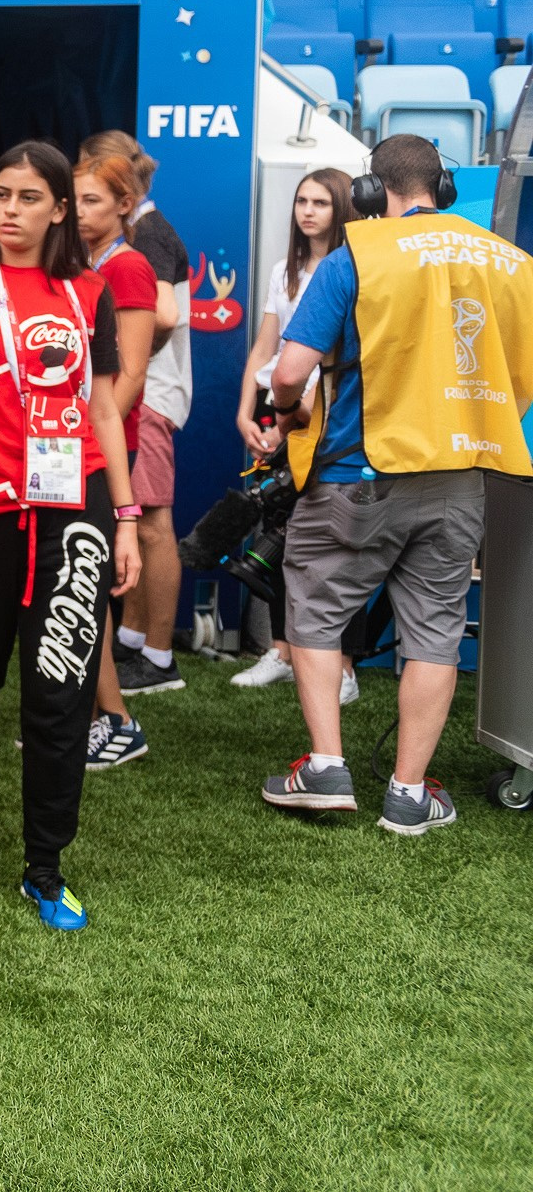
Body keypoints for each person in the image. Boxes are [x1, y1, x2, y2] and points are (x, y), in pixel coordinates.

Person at [261, 134, 533, 835]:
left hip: (360, 474)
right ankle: (409, 795)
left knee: (315, 613)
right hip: (463, 475)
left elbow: (289, 372)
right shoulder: (511, 261)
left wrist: (289, 413)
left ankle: (326, 766)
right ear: (442, 188)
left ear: (370, 193)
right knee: (436, 631)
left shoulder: (359, 255)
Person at [0, 141, 141, 933]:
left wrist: (124, 519)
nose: (10, 211)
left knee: (60, 695)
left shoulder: (89, 290)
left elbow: (105, 410)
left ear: (60, 209)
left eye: (28, 198)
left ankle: (46, 866)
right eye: (0, 195)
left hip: (68, 513)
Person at [80, 131, 193, 703]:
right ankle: (132, 638)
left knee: (149, 525)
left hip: (144, 399)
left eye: (91, 194)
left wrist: (133, 362)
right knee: (142, 525)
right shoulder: (145, 230)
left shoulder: (142, 238)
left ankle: (157, 653)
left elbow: (165, 312)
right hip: (141, 395)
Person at [233, 169, 355, 690]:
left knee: (328, 543)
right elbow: (265, 350)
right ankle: (280, 651)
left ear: (342, 208)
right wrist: (246, 413)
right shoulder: (286, 268)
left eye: (321, 202)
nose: (307, 211)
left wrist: (298, 414)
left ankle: (344, 667)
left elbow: (331, 358)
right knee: (277, 536)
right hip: (273, 404)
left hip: (319, 414)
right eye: (302, 201)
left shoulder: (350, 267)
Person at [75, 154, 160, 770]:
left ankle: (117, 720)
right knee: (77, 583)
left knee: (91, 585)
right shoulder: (87, 263)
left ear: (124, 206)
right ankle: (91, 715)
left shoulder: (127, 266)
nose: (79, 213)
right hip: (84, 443)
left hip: (103, 446)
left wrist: (91, 441)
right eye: (73, 200)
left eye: (92, 202)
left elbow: (129, 374)